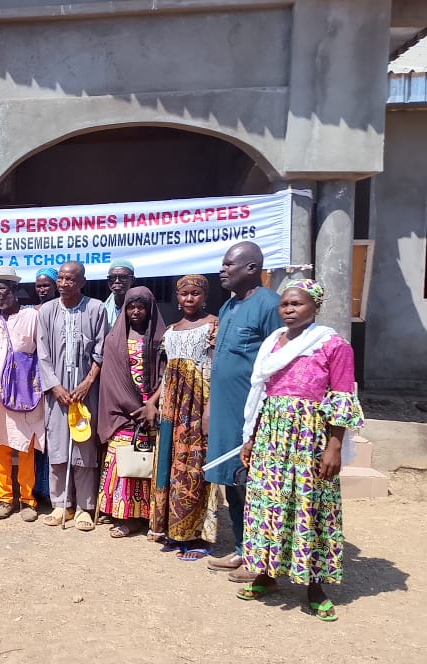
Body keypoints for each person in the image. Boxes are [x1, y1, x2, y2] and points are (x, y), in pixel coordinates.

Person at [236, 280, 363, 621]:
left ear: (315, 307)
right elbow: (261, 395)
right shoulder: (272, 343)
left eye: (297, 304)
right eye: (285, 305)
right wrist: (250, 437)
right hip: (271, 436)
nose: (289, 310)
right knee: (269, 506)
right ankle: (266, 573)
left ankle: (314, 586)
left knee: (310, 508)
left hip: (309, 438)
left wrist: (334, 446)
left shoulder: (333, 345)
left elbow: (341, 398)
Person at [204, 242, 282, 583]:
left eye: (228, 265)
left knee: (252, 483)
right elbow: (220, 361)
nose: (223, 270)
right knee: (231, 482)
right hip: (224, 410)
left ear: (251, 268)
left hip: (252, 414)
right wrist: (209, 407)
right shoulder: (229, 306)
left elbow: (278, 366)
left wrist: (263, 419)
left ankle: (261, 557)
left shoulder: (271, 307)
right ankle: (242, 546)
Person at [149, 275, 218, 558]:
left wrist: (210, 409)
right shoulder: (171, 330)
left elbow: (217, 368)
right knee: (168, 466)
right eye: (184, 294)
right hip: (171, 407)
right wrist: (153, 403)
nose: (189, 299)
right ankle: (172, 531)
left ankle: (195, 536)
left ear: (204, 296)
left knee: (193, 466)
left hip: (197, 406)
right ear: (177, 298)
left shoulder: (213, 325)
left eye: (195, 294)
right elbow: (166, 374)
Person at [37, 262, 106, 529]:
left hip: (85, 391)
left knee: (83, 445)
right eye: (61, 279)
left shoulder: (96, 309)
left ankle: (84, 507)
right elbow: (42, 354)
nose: (64, 284)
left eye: (70, 279)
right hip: (57, 392)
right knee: (57, 446)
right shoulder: (47, 311)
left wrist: (88, 383)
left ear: (82, 282)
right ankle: (60, 505)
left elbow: (101, 351)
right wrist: (54, 386)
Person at [95, 286, 166, 538]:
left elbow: (166, 374)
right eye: (131, 307)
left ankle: (149, 517)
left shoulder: (160, 338)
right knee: (124, 461)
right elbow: (111, 378)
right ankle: (123, 515)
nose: (136, 311)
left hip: (152, 410)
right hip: (124, 412)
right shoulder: (115, 339)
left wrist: (152, 404)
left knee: (150, 463)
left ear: (150, 309)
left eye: (141, 307)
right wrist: (131, 405)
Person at [0, 267, 44, 523]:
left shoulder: (32, 317)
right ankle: (4, 499)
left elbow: (43, 355)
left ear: (15, 289)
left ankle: (28, 501)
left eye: (2, 287)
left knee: (26, 446)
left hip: (26, 392)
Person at [31, 267, 58, 503]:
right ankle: (37, 489)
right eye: (39, 285)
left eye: (46, 285)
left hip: (57, 382)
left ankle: (51, 491)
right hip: (33, 384)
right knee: (38, 438)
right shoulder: (30, 312)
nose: (42, 289)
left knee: (53, 439)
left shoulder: (62, 309)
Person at [103, 260, 136, 329]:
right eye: (112, 278)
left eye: (123, 277)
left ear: (132, 280)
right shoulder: (102, 309)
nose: (117, 281)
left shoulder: (141, 307)